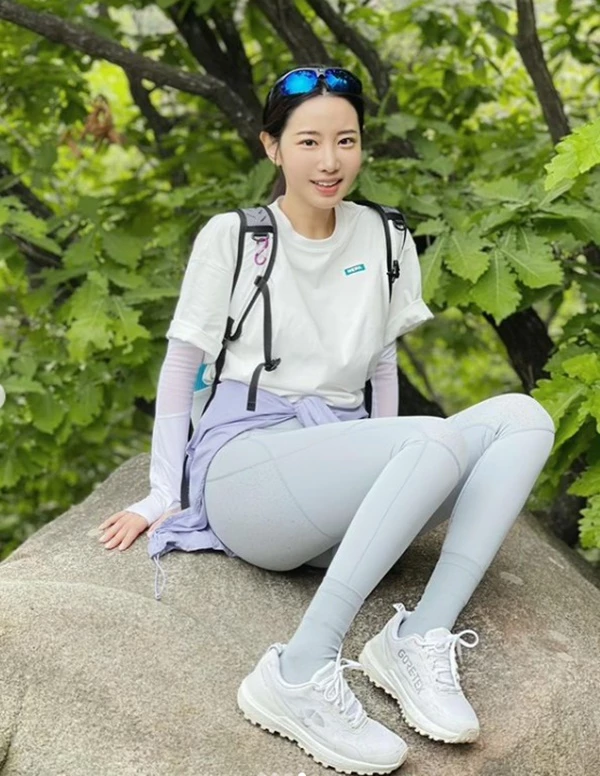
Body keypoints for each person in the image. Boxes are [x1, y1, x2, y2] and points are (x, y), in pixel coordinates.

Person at [98, 65, 556, 775]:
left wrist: (400, 470)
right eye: (308, 141)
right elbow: (181, 367)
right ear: (272, 147)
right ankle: (298, 672)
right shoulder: (236, 237)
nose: (330, 160)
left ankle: (417, 639)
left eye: (346, 140)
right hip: (250, 469)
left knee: (523, 417)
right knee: (432, 433)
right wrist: (164, 492)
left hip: (334, 476)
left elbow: (380, 363)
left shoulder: (385, 236)